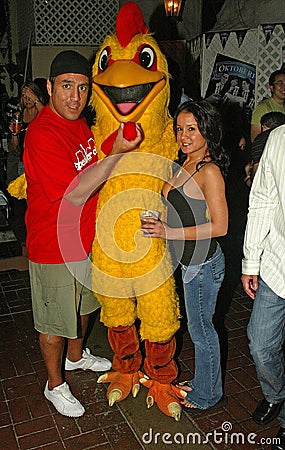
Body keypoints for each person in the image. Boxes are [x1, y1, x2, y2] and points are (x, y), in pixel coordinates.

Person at [23, 50, 143, 418]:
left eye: (82, 88)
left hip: (84, 239)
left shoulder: (77, 123)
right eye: (65, 86)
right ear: (49, 87)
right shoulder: (42, 133)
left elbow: (90, 161)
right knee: (55, 325)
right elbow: (75, 190)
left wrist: (115, 145)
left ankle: (75, 359)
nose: (74, 96)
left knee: (83, 308)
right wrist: (118, 154)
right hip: (53, 245)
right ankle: (54, 384)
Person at [141, 100, 229, 411]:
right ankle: (204, 382)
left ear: (207, 131)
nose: (184, 135)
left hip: (203, 263)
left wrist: (168, 232)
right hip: (187, 261)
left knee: (202, 330)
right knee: (199, 328)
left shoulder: (210, 171)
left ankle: (208, 395)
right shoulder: (184, 163)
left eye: (191, 128)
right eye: (180, 129)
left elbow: (220, 226)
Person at [241, 124, 285, 450]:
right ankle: (276, 394)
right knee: (260, 343)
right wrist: (250, 262)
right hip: (277, 262)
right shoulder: (280, 138)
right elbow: (262, 200)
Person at [7, 81, 47, 248]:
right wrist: (14, 134)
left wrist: (36, 101)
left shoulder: (42, 113)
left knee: (39, 203)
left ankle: (40, 237)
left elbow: (50, 118)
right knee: (25, 205)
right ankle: (29, 239)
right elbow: (15, 147)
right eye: (24, 96)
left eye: (30, 95)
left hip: (40, 163)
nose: (27, 99)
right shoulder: (19, 115)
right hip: (23, 164)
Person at [250, 68, 285, 142]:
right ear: (271, 87)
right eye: (280, 83)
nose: (284, 87)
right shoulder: (263, 107)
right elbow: (255, 139)